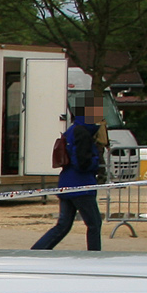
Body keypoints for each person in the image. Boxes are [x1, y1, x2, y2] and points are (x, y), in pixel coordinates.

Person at [32, 106, 106, 252]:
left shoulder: (72, 130)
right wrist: (96, 163)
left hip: (66, 183)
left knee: (63, 225)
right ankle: (94, 256)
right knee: (94, 224)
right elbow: (82, 163)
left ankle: (38, 250)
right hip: (81, 185)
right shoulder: (83, 133)